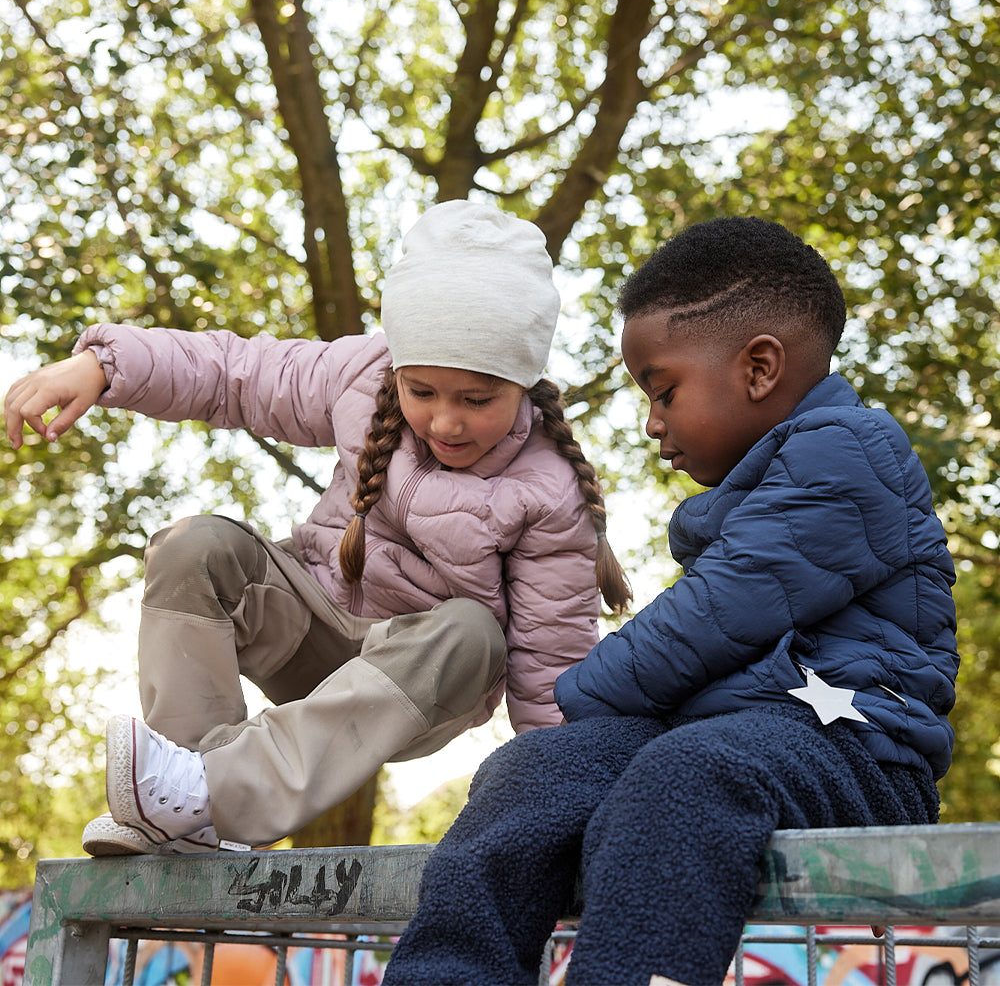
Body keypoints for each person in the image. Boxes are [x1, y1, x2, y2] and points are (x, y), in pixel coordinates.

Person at [381, 216, 959, 986]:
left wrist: (573, 690)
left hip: (860, 752)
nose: (652, 423)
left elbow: (704, 626)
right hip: (746, 739)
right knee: (534, 769)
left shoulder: (850, 453)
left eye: (664, 391)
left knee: (686, 774)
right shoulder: (757, 496)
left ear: (758, 368)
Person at [3, 199, 631, 857]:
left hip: (414, 680)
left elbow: (548, 670)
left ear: (524, 383)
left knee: (474, 633)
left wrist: (566, 814)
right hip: (309, 627)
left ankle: (217, 795)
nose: (446, 422)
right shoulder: (357, 374)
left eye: (477, 401)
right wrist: (103, 365)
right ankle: (191, 809)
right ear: (398, 368)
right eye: (422, 392)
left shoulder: (548, 489)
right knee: (197, 545)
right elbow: (234, 372)